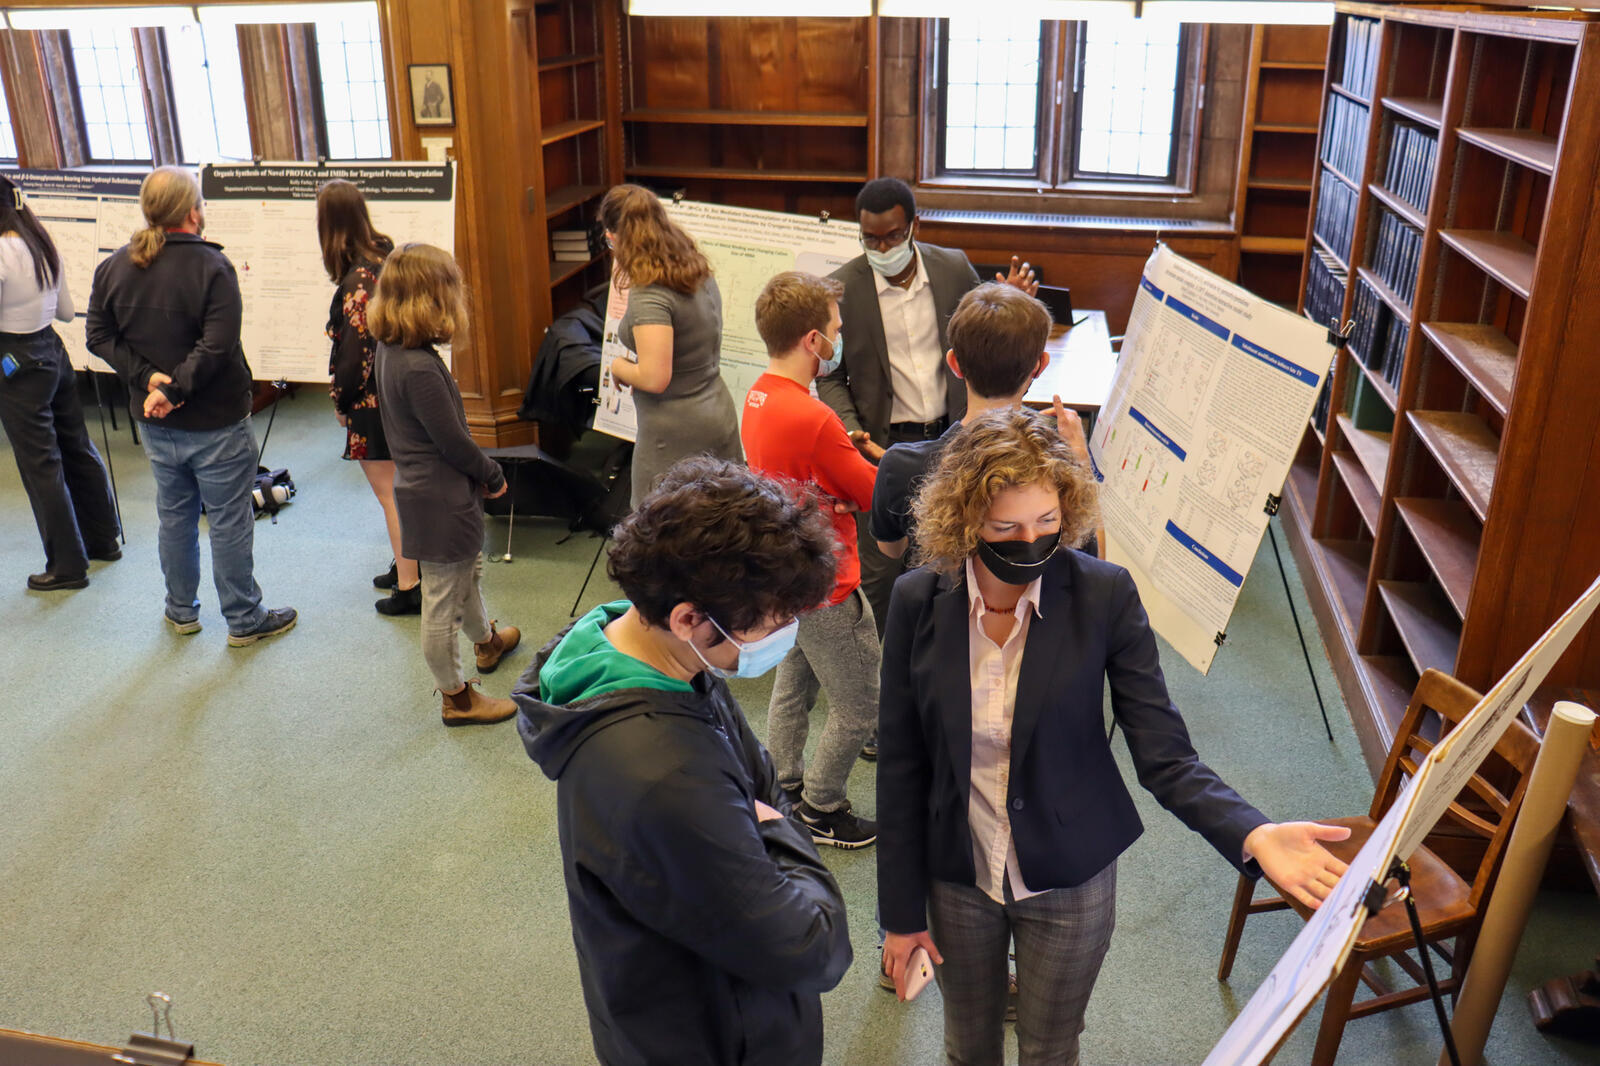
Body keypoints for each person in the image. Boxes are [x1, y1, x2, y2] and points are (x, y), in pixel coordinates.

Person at [877, 407, 1351, 1066]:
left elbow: (1166, 757)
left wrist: (1251, 831)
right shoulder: (916, 600)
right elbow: (901, 766)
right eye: (1005, 527)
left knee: (1050, 1049)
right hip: (957, 873)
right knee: (967, 1047)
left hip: (1071, 876)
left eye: (1046, 524)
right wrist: (900, 915)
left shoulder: (1104, 595)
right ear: (963, 521)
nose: (1029, 543)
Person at [514, 457, 853, 1066]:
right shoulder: (665, 779)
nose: (783, 637)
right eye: (773, 625)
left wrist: (761, 816)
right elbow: (812, 945)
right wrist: (780, 828)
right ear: (689, 618)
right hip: (714, 1037)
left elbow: (761, 778)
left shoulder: (646, 650)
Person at [819, 176, 1039, 642]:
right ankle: (884, 678)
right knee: (881, 574)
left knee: (955, 563)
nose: (882, 247)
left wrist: (1016, 302)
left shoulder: (954, 268)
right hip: (884, 447)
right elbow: (831, 377)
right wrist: (852, 430)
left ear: (914, 226)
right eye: (870, 239)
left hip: (955, 436)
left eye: (893, 236)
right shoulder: (844, 288)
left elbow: (987, 331)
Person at [87, 166, 295, 645]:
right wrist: (171, 389)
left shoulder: (114, 266)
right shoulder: (212, 267)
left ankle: (180, 611)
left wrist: (151, 384)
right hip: (216, 421)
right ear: (192, 212)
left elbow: (98, 336)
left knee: (175, 517)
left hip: (156, 424)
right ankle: (244, 620)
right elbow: (217, 346)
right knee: (228, 520)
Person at [742, 271, 879, 849]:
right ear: (813, 340)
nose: (839, 338)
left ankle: (786, 783)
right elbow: (874, 493)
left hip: (788, 574)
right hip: (829, 580)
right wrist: (872, 466)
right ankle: (823, 805)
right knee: (861, 705)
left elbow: (791, 481)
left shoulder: (758, 395)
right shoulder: (817, 417)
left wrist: (830, 489)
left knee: (794, 683)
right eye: (836, 330)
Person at [372, 243, 521, 726]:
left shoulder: (392, 348)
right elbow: (454, 443)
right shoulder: (418, 368)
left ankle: (486, 642)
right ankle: (456, 698)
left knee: (465, 574)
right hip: (441, 498)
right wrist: (493, 475)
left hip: (427, 493)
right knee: (440, 597)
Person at [870, 282, 1101, 568]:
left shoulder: (899, 465)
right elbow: (1090, 557)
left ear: (954, 363)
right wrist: (1080, 461)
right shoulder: (1062, 463)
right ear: (1040, 365)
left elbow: (891, 549)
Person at [0, 174, 121, 591]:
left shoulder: (0, 250)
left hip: (15, 364)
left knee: (41, 465)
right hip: (54, 353)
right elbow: (67, 312)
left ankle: (67, 566)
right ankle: (104, 540)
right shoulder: (40, 242)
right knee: (77, 448)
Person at [598, 184, 742, 508]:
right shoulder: (695, 268)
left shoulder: (650, 292)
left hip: (674, 434)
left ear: (617, 237)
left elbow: (654, 377)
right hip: (716, 412)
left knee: (661, 535)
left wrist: (617, 366)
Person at [315, 179, 417, 615]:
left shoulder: (356, 278)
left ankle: (411, 586)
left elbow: (355, 351)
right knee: (401, 488)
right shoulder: (384, 254)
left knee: (391, 494)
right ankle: (405, 562)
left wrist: (341, 401)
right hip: (398, 388)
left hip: (372, 400)